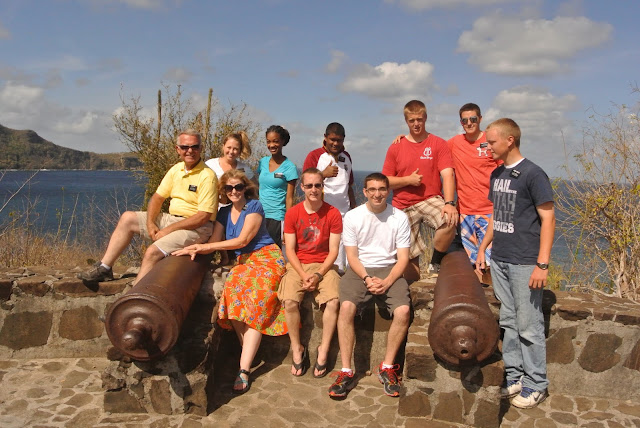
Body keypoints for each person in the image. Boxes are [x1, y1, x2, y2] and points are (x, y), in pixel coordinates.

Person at [173, 170, 287, 394]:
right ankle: (249, 351)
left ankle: (244, 369)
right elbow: (216, 240)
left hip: (267, 259)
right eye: (229, 188)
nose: (234, 191)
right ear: (224, 191)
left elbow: (243, 240)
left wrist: (205, 247)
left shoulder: (254, 207)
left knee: (254, 303)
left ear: (245, 188)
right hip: (243, 263)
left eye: (238, 187)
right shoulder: (224, 212)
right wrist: (194, 249)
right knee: (233, 300)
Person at [475, 118, 555, 409]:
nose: (487, 147)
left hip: (524, 262)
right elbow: (497, 216)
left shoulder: (533, 174)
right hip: (501, 258)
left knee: (529, 325)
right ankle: (515, 376)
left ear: (510, 140)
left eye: (491, 142)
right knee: (509, 322)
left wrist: (542, 264)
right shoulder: (497, 174)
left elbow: (548, 218)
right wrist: (483, 248)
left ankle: (536, 383)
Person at [78, 130, 217, 285]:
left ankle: (135, 292)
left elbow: (203, 216)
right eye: (185, 147)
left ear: (201, 148)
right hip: (172, 220)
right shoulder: (176, 169)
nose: (190, 151)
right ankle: (105, 267)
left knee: (152, 252)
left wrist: (167, 230)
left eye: (194, 147)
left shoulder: (207, 176)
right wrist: (150, 223)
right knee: (128, 218)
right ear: (177, 149)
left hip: (197, 228)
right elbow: (157, 198)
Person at [328, 173, 411, 399]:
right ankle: (346, 370)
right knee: (346, 308)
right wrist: (366, 278)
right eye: (372, 189)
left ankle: (387, 367)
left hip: (389, 269)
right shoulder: (353, 216)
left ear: (388, 191)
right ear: (365, 192)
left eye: (382, 189)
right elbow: (352, 256)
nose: (377, 194)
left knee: (403, 311)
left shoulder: (399, 217)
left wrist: (387, 281)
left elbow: (403, 258)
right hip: (360, 270)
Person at [382, 100, 457, 282]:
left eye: (419, 120)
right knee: (409, 261)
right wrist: (408, 180)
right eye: (412, 120)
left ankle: (435, 262)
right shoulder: (396, 147)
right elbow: (385, 181)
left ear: (426, 118)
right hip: (403, 204)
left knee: (449, 220)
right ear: (406, 121)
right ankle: (413, 290)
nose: (416, 124)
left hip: (429, 199)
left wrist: (449, 203)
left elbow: (448, 174)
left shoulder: (438, 143)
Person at [278, 168, 342, 378]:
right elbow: (289, 250)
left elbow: (334, 251)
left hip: (324, 265)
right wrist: (303, 274)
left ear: (323, 186)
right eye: (309, 186)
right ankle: (297, 347)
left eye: (317, 185)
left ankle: (323, 349)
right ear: (302, 187)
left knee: (333, 301)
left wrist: (318, 275)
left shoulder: (333, 213)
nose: (314, 190)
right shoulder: (293, 213)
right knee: (289, 301)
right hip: (298, 265)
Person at [447, 103, 501, 283]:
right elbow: (433, 149)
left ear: (480, 119)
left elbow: (505, 168)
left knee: (490, 261)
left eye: (473, 119)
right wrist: (405, 138)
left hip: (490, 211)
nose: (469, 123)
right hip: (466, 212)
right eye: (465, 120)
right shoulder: (454, 143)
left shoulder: (491, 141)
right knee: (473, 261)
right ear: (461, 122)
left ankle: (495, 294)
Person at [303, 122, 356, 273]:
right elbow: (306, 183)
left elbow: (349, 186)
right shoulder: (315, 156)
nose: (335, 143)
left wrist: (354, 209)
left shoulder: (346, 157)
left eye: (339, 140)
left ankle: (341, 275)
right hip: (320, 212)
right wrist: (322, 174)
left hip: (344, 212)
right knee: (320, 247)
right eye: (332, 139)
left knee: (343, 248)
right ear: (325, 137)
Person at [256, 125, 299, 247]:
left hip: (277, 218)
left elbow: (289, 199)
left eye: (275, 141)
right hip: (259, 215)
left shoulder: (289, 167)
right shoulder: (262, 162)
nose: (272, 145)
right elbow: (259, 187)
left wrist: (288, 226)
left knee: (275, 253)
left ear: (282, 141)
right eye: (268, 142)